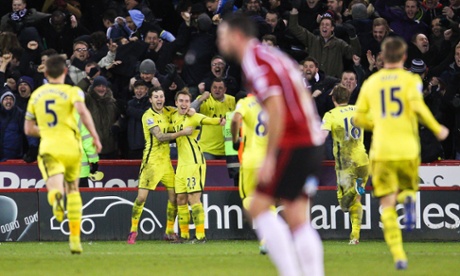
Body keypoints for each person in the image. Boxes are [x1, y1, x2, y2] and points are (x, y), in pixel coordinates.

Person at [217, 14, 325, 276]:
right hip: (310, 139)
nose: (219, 40)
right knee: (297, 216)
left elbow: (276, 109)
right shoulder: (272, 55)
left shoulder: (254, 60)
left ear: (236, 36)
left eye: (222, 34)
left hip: (294, 141)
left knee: (257, 207)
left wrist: (271, 156)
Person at [354, 36, 449, 270]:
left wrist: (376, 123)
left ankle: (399, 256)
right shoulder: (410, 81)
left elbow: (358, 118)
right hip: (407, 148)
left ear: (382, 58)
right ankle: (407, 200)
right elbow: (418, 108)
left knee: (386, 204)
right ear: (404, 57)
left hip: (382, 150)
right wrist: (438, 129)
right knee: (407, 189)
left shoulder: (371, 83)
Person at [24, 55, 101, 254]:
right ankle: (75, 239)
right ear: (65, 72)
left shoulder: (37, 95)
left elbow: (28, 128)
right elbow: (83, 113)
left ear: (46, 72)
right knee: (73, 189)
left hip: (50, 147)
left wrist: (46, 131)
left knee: (55, 185)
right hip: (71, 147)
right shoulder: (73, 91)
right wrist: (94, 136)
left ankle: (56, 197)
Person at [127, 87, 194, 244]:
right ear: (150, 100)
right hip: (151, 163)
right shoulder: (148, 116)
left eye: (161, 96)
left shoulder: (169, 111)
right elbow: (160, 136)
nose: (159, 99)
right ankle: (133, 230)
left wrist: (191, 109)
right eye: (156, 96)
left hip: (166, 163)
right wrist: (181, 133)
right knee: (141, 198)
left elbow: (183, 109)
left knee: (174, 198)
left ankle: (169, 231)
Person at [171, 89, 226, 243]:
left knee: (193, 199)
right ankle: (184, 235)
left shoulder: (194, 117)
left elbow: (206, 120)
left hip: (195, 163)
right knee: (180, 199)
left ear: (190, 103)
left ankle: (201, 236)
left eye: (187, 101)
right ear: (176, 103)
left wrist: (219, 121)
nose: (184, 104)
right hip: (181, 165)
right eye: (181, 101)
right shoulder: (172, 116)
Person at [321, 84, 369, 245]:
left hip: (345, 163)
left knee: (344, 203)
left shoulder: (331, 115)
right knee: (357, 200)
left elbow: (322, 137)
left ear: (334, 99)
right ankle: (355, 237)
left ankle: (354, 190)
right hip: (362, 159)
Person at [230, 94, 269, 254]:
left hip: (250, 160)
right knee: (269, 200)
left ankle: (264, 236)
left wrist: (235, 140)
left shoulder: (246, 103)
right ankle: (269, 239)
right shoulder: (272, 102)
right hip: (268, 160)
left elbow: (234, 120)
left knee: (248, 198)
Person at [191, 77, 236, 160]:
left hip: (226, 150)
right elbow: (188, 111)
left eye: (220, 88)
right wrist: (200, 99)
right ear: (211, 89)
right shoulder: (204, 99)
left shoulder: (232, 100)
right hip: (207, 150)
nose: (217, 90)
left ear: (225, 90)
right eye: (214, 87)